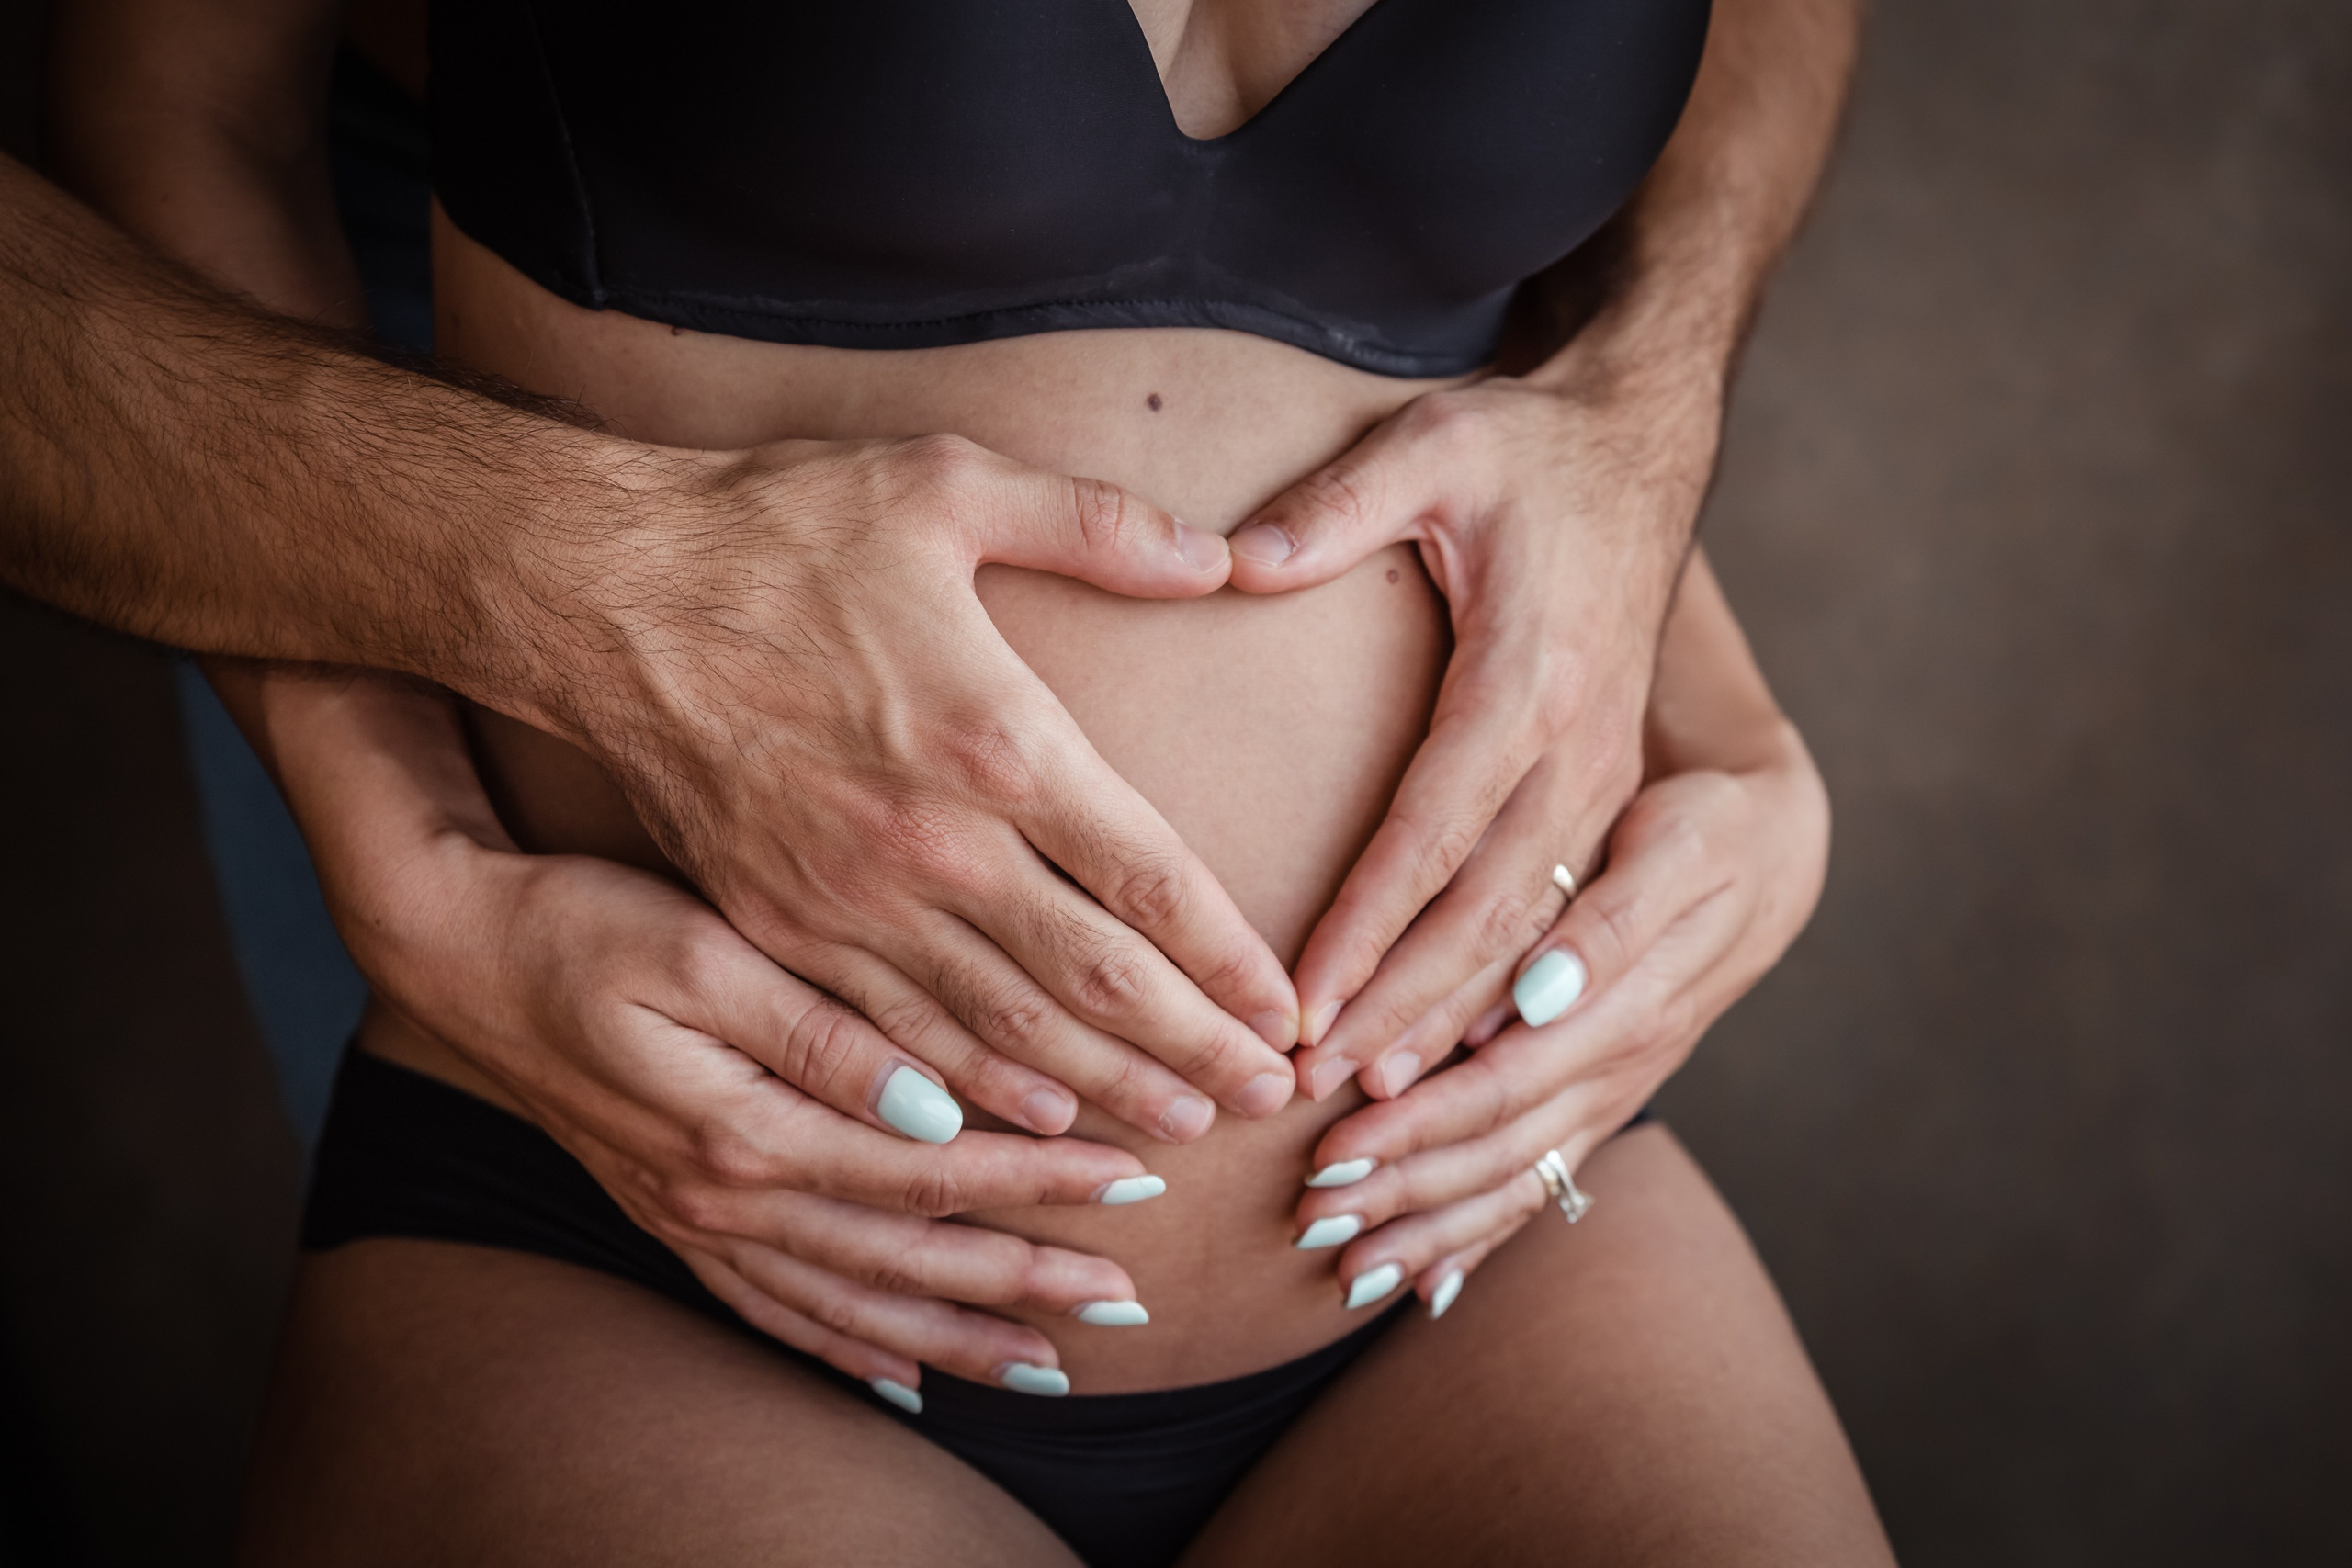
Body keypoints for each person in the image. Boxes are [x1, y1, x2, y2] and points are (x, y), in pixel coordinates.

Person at [36, 0, 1888, 1562]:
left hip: (1484, 1211)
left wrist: (1655, 443)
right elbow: (180, 112)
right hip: (666, 1243)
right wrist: (393, 829)